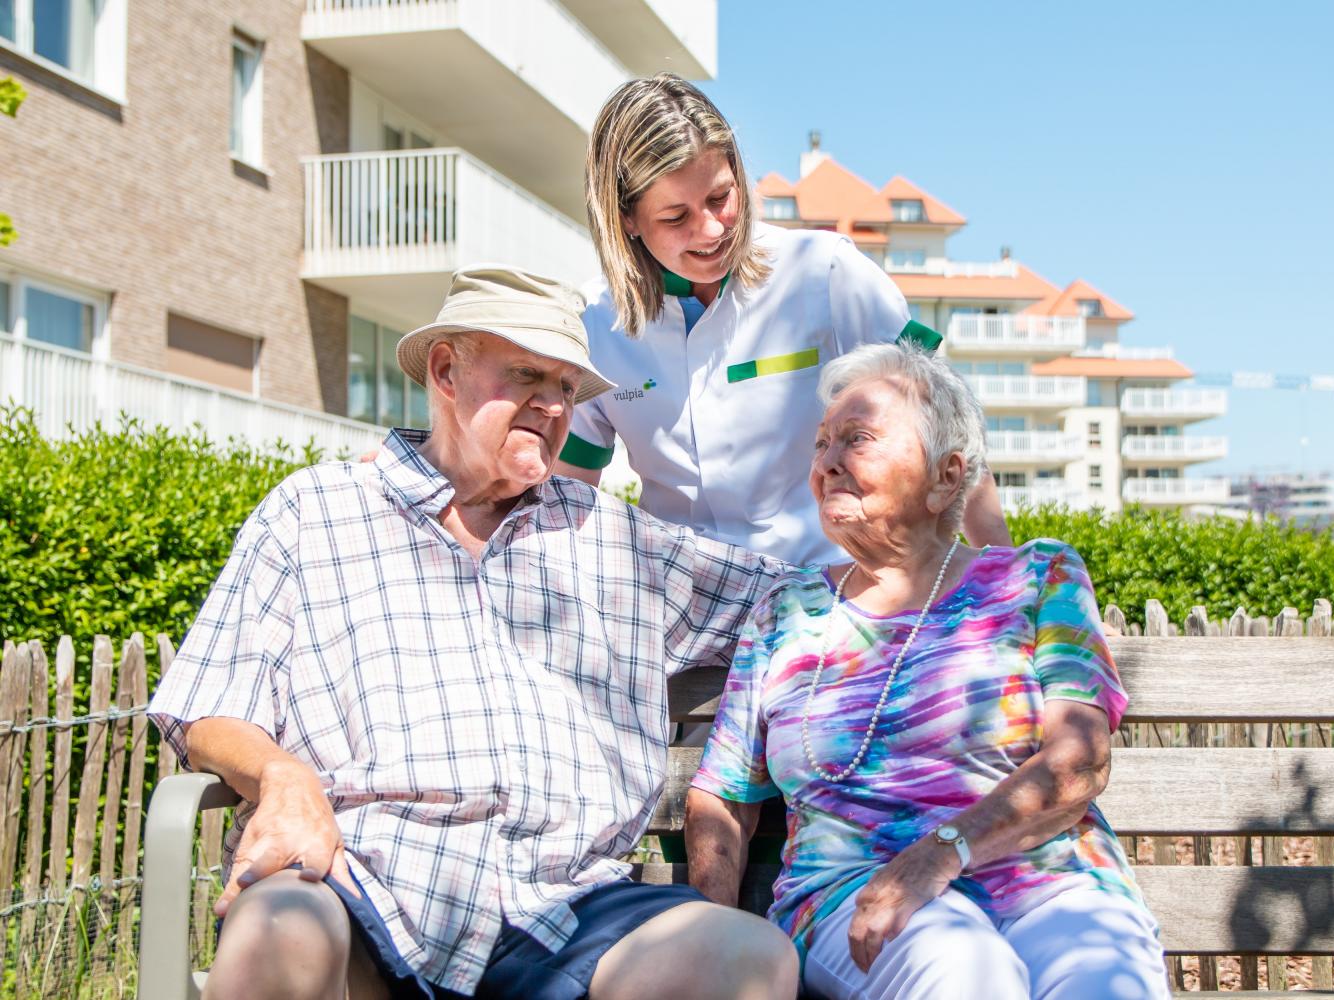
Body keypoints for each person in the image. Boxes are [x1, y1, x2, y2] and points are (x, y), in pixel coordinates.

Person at [148, 266, 799, 1000]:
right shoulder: (313, 513)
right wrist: (282, 777)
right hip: (364, 884)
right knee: (279, 928)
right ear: (446, 370)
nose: (553, 406)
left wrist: (940, 564)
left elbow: (802, 599)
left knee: (746, 957)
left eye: (566, 389)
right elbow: (206, 708)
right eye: (528, 376)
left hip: (572, 908)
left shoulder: (613, 537)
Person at [683, 343, 1168, 999]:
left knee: (1107, 984)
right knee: (966, 973)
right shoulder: (788, 610)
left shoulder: (1037, 577)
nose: (826, 464)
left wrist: (942, 854)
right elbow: (722, 794)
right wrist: (717, 944)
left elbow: (1079, 761)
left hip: (1048, 881)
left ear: (946, 476)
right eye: (821, 445)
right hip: (856, 895)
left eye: (855, 440)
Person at [552, 73, 1011, 565]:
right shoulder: (595, 324)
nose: (710, 229)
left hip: (824, 594)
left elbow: (947, 428)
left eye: (720, 198)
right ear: (626, 218)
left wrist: (1007, 579)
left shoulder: (827, 272)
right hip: (677, 607)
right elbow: (568, 499)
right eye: (675, 217)